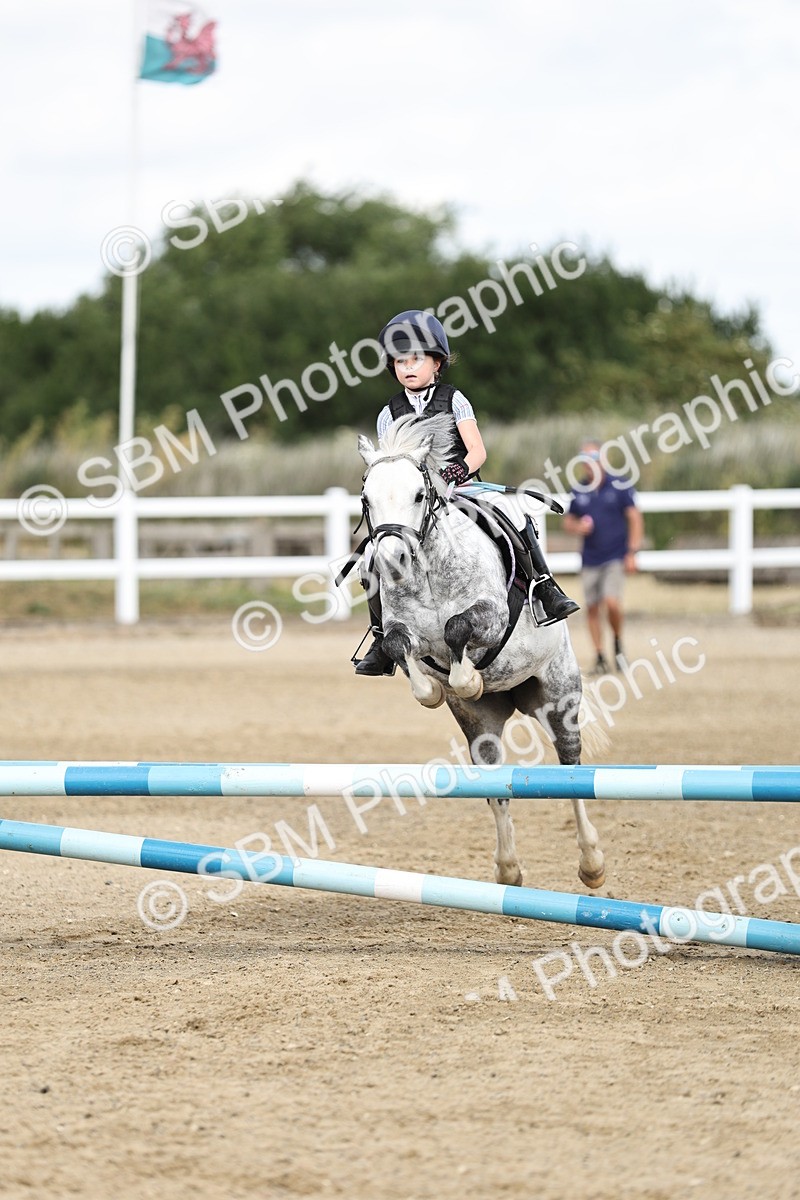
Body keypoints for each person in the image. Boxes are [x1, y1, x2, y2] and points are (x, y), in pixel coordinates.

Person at [354, 309, 579, 676]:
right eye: (399, 362)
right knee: (371, 559)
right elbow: (392, 465)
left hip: (463, 488)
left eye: (415, 359)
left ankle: (544, 588)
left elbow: (477, 450)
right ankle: (381, 637)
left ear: (437, 363)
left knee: (512, 512)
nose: (407, 368)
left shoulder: (454, 399)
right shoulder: (387, 413)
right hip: (417, 501)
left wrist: (460, 468)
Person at [562, 440, 644, 675]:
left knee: (612, 602)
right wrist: (578, 527)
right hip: (590, 557)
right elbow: (568, 521)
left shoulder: (619, 485)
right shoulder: (579, 489)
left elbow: (635, 518)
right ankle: (599, 656)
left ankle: (618, 644)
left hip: (615, 555)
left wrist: (632, 552)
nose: (589, 464)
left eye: (593, 457)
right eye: (584, 459)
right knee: (592, 607)